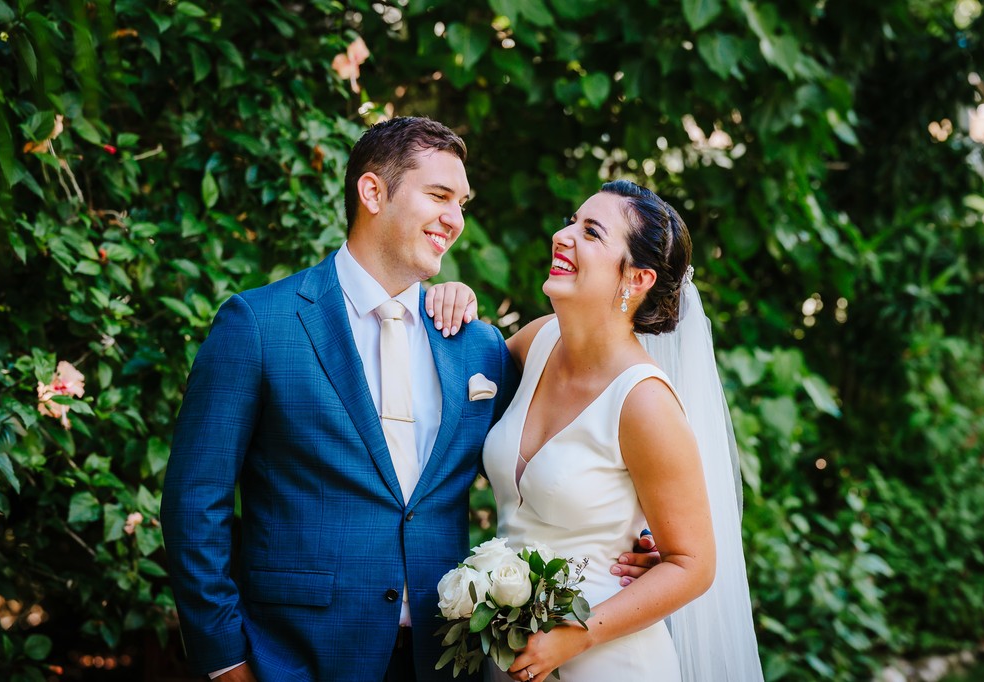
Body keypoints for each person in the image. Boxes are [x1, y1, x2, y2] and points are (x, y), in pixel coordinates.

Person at [160, 117, 656, 682]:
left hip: (445, 661)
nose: (456, 218)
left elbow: (549, 455)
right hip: (295, 659)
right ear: (372, 192)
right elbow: (194, 507)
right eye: (439, 196)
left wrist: (638, 538)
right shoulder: (259, 325)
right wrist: (226, 663)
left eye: (462, 202)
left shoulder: (477, 346)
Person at [430, 180, 763, 681]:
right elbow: (458, 374)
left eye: (591, 232)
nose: (564, 236)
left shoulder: (644, 402)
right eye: (571, 222)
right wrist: (452, 298)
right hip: (509, 658)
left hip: (607, 660)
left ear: (637, 278)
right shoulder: (536, 341)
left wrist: (572, 639)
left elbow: (693, 564)